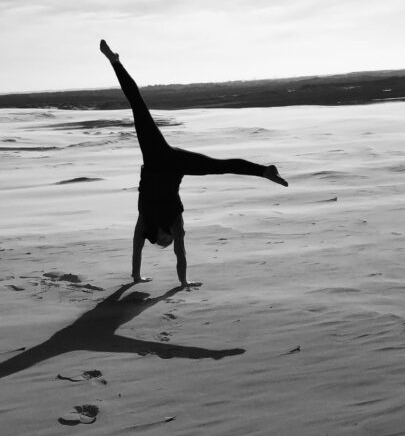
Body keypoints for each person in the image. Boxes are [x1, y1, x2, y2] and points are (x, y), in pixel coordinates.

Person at [100, 39, 288, 287]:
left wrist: (182, 281)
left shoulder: (162, 220)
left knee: (219, 165)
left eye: (167, 239)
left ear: (162, 234)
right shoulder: (148, 219)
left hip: (167, 160)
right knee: (139, 107)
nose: (178, 236)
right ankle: (263, 171)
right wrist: (147, 277)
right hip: (165, 158)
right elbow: (148, 251)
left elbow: (179, 253)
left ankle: (263, 171)